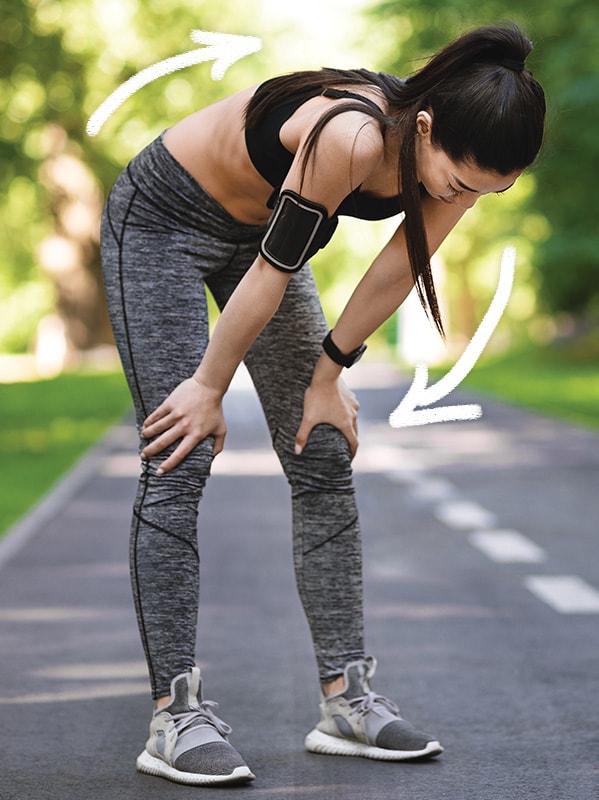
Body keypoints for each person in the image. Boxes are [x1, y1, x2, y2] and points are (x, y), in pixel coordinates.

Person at [100, 22, 545, 786]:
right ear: (426, 126)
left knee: (322, 447)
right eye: (459, 181)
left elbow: (402, 264)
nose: (464, 197)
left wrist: (328, 373)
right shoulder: (350, 136)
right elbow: (276, 268)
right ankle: (173, 712)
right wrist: (207, 388)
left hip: (264, 241)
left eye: (484, 191)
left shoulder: (462, 158)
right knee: (179, 451)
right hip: (164, 224)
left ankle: (345, 698)